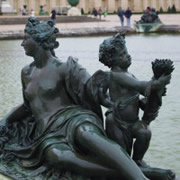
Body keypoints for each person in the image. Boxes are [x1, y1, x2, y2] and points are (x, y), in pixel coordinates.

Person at [0, 17, 149, 180]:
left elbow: (92, 90)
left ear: (39, 40)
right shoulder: (26, 72)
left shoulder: (65, 67)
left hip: (74, 118)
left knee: (88, 135)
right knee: (56, 156)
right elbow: (27, 107)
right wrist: (5, 120)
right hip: (47, 133)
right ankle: (146, 174)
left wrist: (116, 104)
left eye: (26, 38)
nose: (22, 43)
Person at [98, 33, 172, 168]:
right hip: (117, 122)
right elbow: (140, 86)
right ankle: (127, 167)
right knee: (123, 156)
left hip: (132, 122)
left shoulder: (129, 74)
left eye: (126, 52)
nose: (127, 56)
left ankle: (137, 160)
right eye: (122, 55)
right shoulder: (117, 75)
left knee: (145, 132)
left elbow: (135, 95)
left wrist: (148, 98)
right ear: (112, 60)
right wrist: (159, 82)